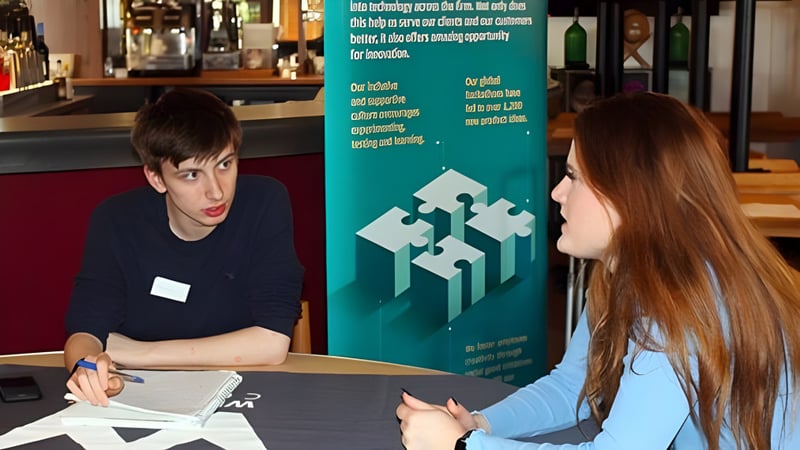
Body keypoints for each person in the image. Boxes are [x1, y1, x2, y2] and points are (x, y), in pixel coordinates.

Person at [396, 92, 800, 449]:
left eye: (574, 177)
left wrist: (463, 446)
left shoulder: (681, 304)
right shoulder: (633, 275)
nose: (557, 192)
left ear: (629, 195)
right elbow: (572, 385)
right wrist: (479, 424)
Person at [64, 88, 304, 406]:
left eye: (225, 164)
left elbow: (272, 344)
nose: (216, 191)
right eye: (192, 175)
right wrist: (87, 367)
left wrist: (136, 352)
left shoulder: (264, 203)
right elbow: (85, 334)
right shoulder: (116, 221)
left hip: (249, 392)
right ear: (157, 178)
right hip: (142, 397)